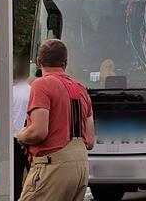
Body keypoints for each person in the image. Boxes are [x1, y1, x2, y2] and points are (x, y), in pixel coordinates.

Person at [17, 39, 96, 201]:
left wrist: (21, 136)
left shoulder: (42, 85)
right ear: (65, 63)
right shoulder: (80, 89)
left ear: (39, 62)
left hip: (53, 166)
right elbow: (90, 141)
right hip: (80, 167)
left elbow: (38, 132)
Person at [12, 68, 32, 201]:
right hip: (29, 137)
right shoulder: (31, 90)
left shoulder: (9, 92)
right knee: (33, 174)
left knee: (15, 177)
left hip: (12, 138)